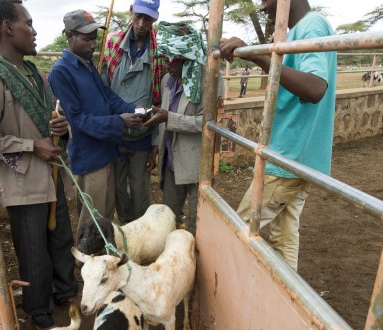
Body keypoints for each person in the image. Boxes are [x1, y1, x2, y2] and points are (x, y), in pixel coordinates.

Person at [0, 0, 80, 330]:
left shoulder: (32, 72)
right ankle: (38, 309)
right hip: (22, 181)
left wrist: (61, 127)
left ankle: (65, 291)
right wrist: (31, 146)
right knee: (33, 248)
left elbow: (48, 117)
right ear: (7, 28)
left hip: (50, 172)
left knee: (61, 237)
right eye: (28, 24)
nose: (34, 32)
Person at [219, 0, 336, 271]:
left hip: (289, 154)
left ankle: (227, 290)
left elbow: (316, 87)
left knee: (240, 225)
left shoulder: (311, 26)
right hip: (298, 155)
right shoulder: (296, 31)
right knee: (285, 235)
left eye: (266, 0)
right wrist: (260, 55)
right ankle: (287, 300)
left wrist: (259, 56)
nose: (262, 7)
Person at [48, 9, 144, 230]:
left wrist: (137, 110)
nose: (93, 45)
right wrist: (120, 122)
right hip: (90, 159)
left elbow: (108, 97)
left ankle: (104, 263)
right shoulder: (61, 72)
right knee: (92, 226)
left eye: (94, 39)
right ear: (70, 36)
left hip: (106, 152)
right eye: (87, 39)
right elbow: (78, 121)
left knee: (106, 220)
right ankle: (85, 264)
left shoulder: (87, 64)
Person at [101, 0, 167, 224]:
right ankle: (126, 235)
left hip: (143, 136)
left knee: (140, 192)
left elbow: (162, 100)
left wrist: (156, 142)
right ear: (131, 11)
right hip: (117, 133)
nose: (140, 23)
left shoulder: (160, 51)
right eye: (138, 16)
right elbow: (103, 89)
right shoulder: (112, 44)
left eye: (147, 19)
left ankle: (142, 234)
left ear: (154, 19)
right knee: (119, 191)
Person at [144, 22, 208, 235]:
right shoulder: (167, 81)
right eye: (166, 59)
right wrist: (156, 146)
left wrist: (169, 118)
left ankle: (197, 262)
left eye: (173, 60)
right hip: (171, 161)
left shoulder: (208, 81)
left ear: (187, 58)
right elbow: (163, 119)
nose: (168, 65)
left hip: (196, 163)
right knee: (170, 217)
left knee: (197, 220)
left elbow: (205, 124)